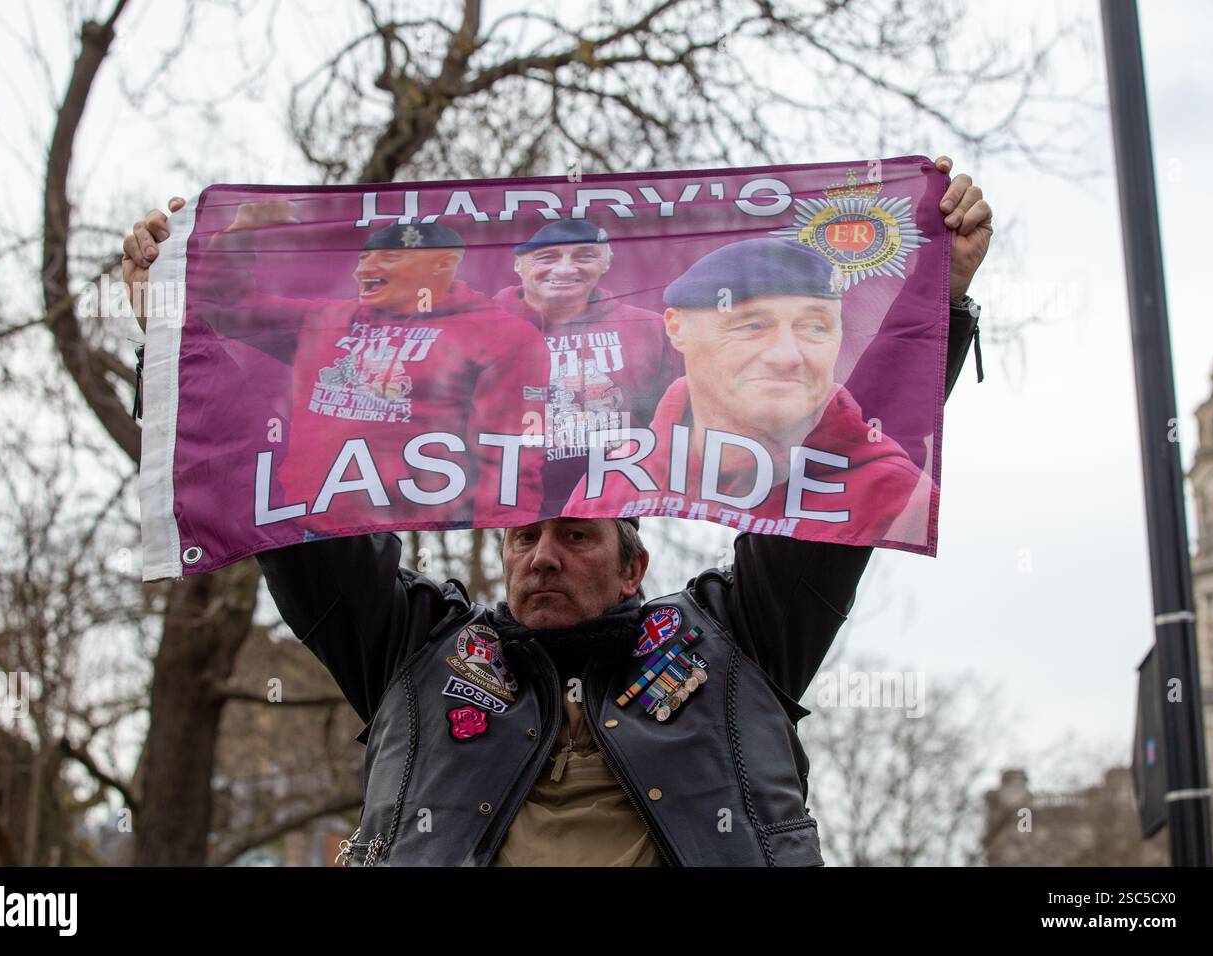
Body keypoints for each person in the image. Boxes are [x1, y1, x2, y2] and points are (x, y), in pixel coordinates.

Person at [122, 155, 991, 865]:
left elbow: (830, 487)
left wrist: (938, 300)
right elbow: (290, 504)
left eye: (576, 537)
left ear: (633, 568)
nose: (542, 555)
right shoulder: (414, 655)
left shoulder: (741, 642)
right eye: (525, 537)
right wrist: (168, 332)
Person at [140, 200, 550, 532]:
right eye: (363, 258)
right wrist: (235, 239)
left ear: (442, 265)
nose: (364, 269)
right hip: (309, 532)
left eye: (388, 258)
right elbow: (221, 309)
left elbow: (512, 464)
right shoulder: (327, 320)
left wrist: (512, 550)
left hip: (428, 538)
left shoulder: (499, 334)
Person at [561, 237, 943, 547]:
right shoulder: (614, 481)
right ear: (677, 328)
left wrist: (948, 286)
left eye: (814, 327)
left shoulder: (901, 495)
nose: (787, 356)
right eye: (752, 326)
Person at [493, 219, 684, 516]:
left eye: (585, 256)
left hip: (616, 505)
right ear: (519, 265)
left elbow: (678, 416)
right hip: (510, 504)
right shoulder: (479, 327)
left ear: (606, 262)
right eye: (547, 256)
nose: (566, 269)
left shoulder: (649, 328)